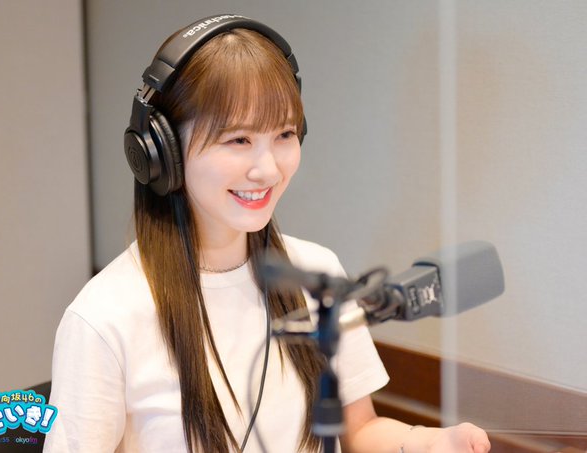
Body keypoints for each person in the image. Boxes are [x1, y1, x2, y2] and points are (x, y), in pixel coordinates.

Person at [44, 14, 491, 453]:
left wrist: (429, 442)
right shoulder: (105, 318)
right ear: (162, 151)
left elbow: (360, 431)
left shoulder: (317, 274)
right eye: (238, 140)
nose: (269, 169)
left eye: (284, 134)